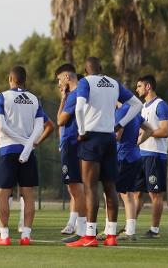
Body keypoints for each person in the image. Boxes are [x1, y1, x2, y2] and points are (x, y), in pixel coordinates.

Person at [66, 57, 142, 247]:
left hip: (91, 138)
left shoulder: (85, 82)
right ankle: (111, 236)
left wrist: (82, 131)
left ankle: (90, 236)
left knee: (90, 187)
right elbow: (137, 105)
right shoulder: (114, 83)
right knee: (111, 188)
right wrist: (120, 124)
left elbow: (80, 107)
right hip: (109, 138)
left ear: (86, 69)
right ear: (101, 68)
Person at [0, 66, 47, 246]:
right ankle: (26, 236)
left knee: (3, 193)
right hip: (28, 152)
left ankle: (4, 236)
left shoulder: (1, 97)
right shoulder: (34, 99)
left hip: (7, 150)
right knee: (28, 194)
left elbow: (2, 126)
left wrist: (22, 141)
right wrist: (27, 144)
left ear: (10, 79)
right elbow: (40, 128)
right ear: (25, 80)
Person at [134, 74, 168, 239]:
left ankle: (154, 230)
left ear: (148, 86)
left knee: (155, 194)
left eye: (139, 86)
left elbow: (165, 130)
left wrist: (147, 135)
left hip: (155, 155)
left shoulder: (161, 105)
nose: (137, 89)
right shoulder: (142, 107)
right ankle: (130, 227)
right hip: (141, 155)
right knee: (136, 193)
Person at [54, 65, 86, 243]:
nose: (59, 83)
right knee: (75, 188)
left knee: (77, 188)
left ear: (67, 77)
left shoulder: (74, 95)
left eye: (59, 79)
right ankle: (83, 228)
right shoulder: (70, 96)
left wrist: (65, 98)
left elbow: (60, 120)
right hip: (69, 143)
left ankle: (82, 231)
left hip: (73, 144)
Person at [114, 101, 143, 241]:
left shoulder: (120, 112)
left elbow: (117, 136)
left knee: (112, 193)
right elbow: (149, 129)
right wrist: (135, 143)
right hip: (135, 156)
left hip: (123, 157)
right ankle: (130, 230)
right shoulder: (135, 112)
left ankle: (110, 230)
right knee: (128, 194)